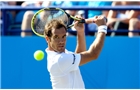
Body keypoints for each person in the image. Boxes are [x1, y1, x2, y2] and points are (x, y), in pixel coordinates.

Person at [44, 15, 107, 89]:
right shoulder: (59, 59)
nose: (61, 41)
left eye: (63, 36)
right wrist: (102, 28)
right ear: (47, 39)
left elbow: (79, 55)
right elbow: (93, 54)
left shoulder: (60, 54)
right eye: (56, 37)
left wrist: (80, 32)